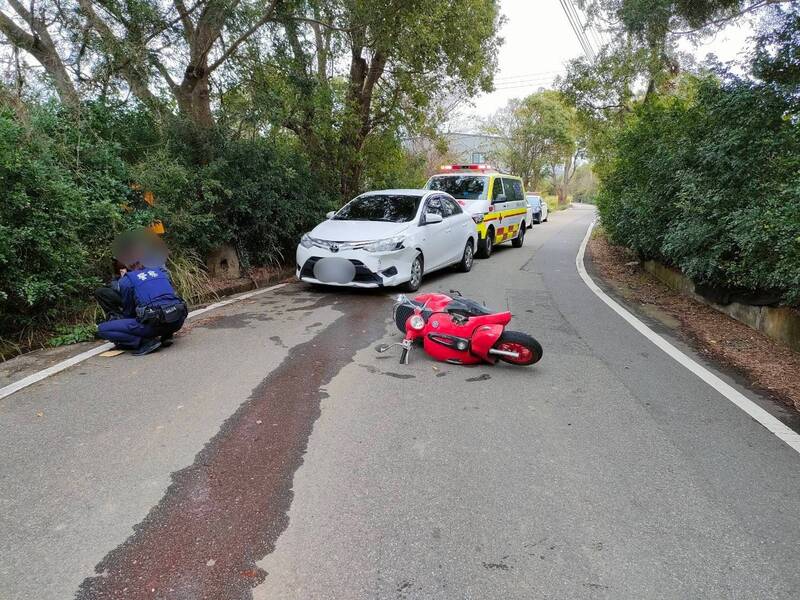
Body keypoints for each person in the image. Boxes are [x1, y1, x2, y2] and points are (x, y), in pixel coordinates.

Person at [96, 262, 188, 356]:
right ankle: (167, 335)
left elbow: (129, 313)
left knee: (102, 329)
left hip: (154, 325)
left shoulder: (127, 280)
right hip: (177, 321)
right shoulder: (160, 272)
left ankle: (144, 342)